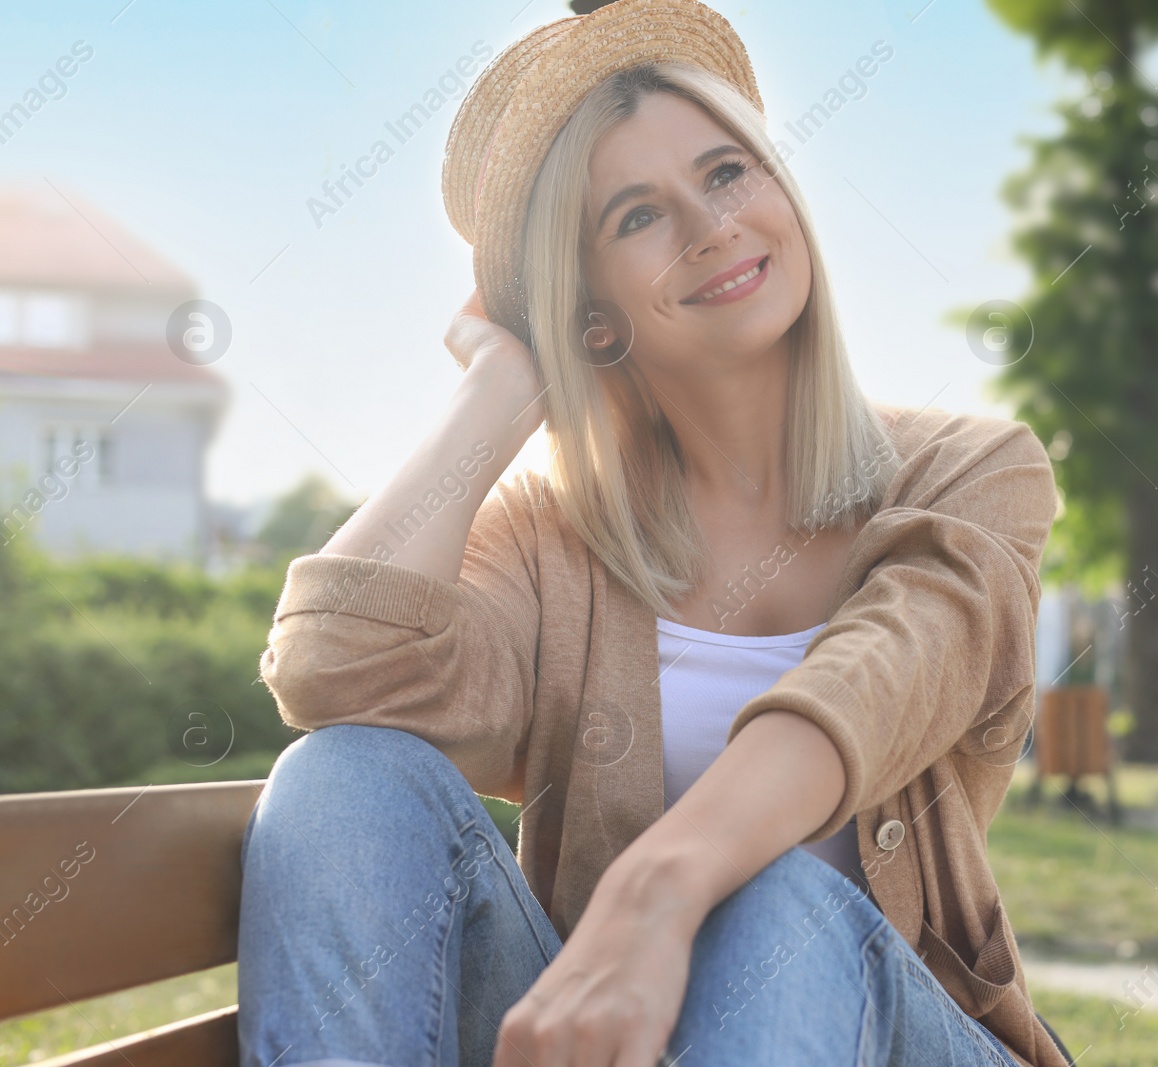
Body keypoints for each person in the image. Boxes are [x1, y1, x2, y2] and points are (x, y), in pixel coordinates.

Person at [236, 2, 1073, 1066]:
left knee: (784, 907)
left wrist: (654, 888)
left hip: (901, 1037)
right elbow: (331, 669)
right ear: (590, 310)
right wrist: (499, 390)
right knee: (339, 775)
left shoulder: (973, 472)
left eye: (726, 173)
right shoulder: (550, 541)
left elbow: (878, 679)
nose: (709, 224)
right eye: (636, 216)